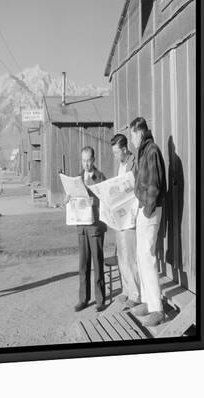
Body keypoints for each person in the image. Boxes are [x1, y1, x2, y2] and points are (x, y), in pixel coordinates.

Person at [129, 117, 166, 327]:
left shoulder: (151, 150)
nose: (132, 139)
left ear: (139, 133)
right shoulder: (144, 151)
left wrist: (147, 209)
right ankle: (146, 300)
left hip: (149, 210)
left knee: (148, 257)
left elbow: (154, 184)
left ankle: (157, 309)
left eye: (133, 135)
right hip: (144, 209)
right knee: (141, 257)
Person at [65, 146, 107, 312]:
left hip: (95, 227)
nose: (86, 164)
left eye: (89, 160)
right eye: (83, 160)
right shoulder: (77, 178)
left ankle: (100, 300)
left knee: (97, 263)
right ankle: (83, 299)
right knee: (83, 265)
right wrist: (67, 198)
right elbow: (71, 199)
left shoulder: (101, 177)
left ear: (94, 159)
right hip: (81, 226)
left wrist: (94, 202)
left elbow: (107, 200)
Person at [111, 133, 140, 308]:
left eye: (116, 152)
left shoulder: (133, 163)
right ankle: (126, 290)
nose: (115, 156)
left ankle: (135, 294)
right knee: (121, 254)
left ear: (124, 149)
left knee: (131, 257)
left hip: (130, 216)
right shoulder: (121, 165)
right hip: (119, 216)